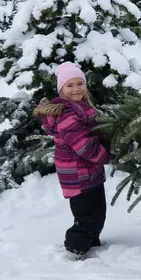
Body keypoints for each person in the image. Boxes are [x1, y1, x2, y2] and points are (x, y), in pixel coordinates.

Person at [34, 62, 111, 257]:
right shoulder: (68, 114)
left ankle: (91, 242)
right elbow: (83, 145)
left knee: (95, 211)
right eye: (70, 85)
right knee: (88, 215)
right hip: (79, 173)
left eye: (80, 83)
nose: (76, 89)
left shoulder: (79, 107)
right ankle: (75, 248)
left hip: (88, 171)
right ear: (61, 89)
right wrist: (106, 156)